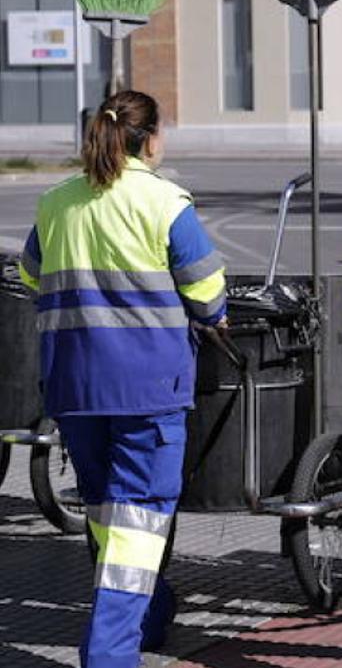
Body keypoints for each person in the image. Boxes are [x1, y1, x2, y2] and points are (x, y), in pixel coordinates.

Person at [18, 90, 227, 667]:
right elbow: (207, 290)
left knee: (108, 513)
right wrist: (213, 318)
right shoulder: (162, 201)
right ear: (150, 138)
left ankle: (151, 613)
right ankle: (110, 652)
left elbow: (32, 276)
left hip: (75, 386)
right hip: (147, 389)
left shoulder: (57, 201)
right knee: (137, 518)